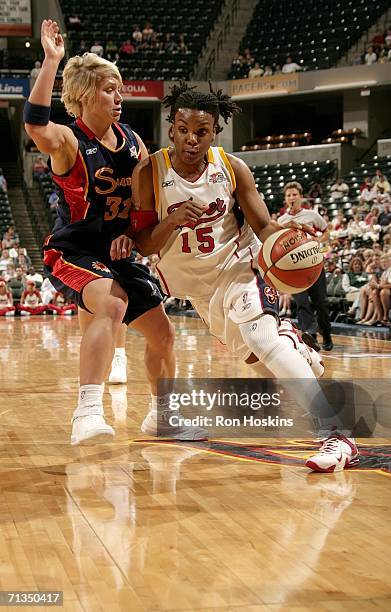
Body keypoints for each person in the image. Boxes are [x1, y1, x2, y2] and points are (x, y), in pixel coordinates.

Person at [130, 81, 358, 473]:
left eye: (201, 131)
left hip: (240, 267)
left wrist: (291, 241)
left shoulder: (232, 169)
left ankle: (337, 434)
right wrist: (170, 221)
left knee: (260, 336)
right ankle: (295, 345)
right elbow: (145, 244)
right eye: (183, 129)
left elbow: (263, 225)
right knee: (255, 357)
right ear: (172, 129)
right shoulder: (150, 171)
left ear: (214, 132)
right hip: (199, 292)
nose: (191, 139)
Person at [24, 20, 192, 446]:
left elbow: (140, 210)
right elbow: (35, 125)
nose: (119, 97)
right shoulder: (69, 141)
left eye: (119, 88)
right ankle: (88, 412)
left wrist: (135, 239)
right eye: (109, 89)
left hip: (118, 252)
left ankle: (162, 417)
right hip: (74, 249)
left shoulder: (135, 144)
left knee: (163, 332)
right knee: (112, 305)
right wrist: (52, 61)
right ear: (84, 96)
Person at [278, 182, 333, 351]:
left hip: (314, 264)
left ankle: (326, 332)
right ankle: (310, 334)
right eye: (288, 195)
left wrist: (318, 240)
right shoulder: (282, 221)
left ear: (300, 196)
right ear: (285, 199)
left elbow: (327, 230)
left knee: (321, 303)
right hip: (294, 268)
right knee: (301, 303)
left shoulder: (312, 215)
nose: (291, 198)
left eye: (294, 194)